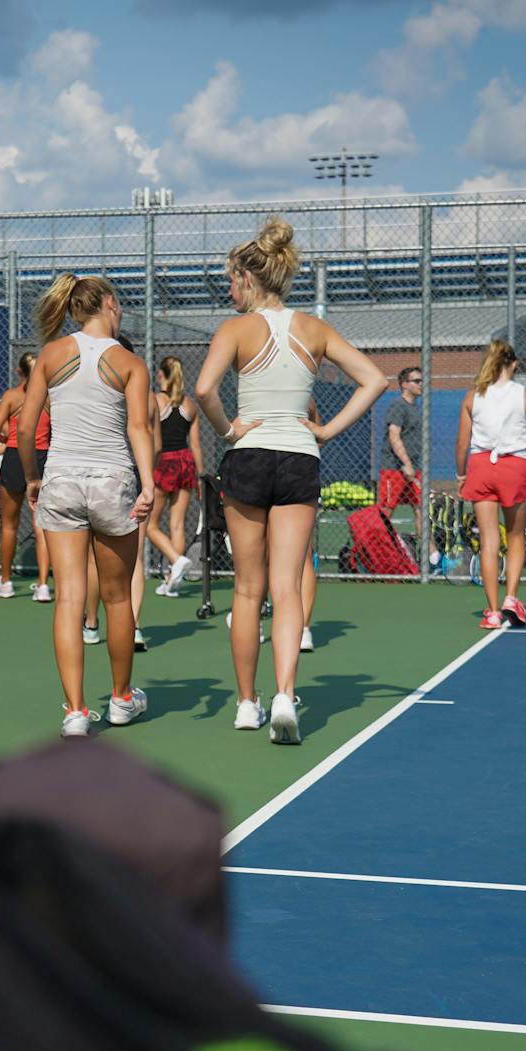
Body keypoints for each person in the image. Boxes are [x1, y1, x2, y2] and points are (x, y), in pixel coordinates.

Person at [193, 217, 385, 746]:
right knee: (287, 586)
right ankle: (284, 694)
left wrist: (227, 430)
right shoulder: (314, 329)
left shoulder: (234, 330)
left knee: (247, 588)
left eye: (231, 281)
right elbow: (374, 379)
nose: (229, 291)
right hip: (300, 457)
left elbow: (204, 389)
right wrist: (326, 430)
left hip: (249, 457)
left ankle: (246, 703)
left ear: (247, 279)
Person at [17, 273, 155, 737]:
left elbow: (25, 427)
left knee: (69, 599)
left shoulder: (51, 355)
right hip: (112, 481)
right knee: (117, 597)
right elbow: (138, 428)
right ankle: (121, 699)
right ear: (109, 303)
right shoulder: (129, 362)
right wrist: (149, 484)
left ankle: (75, 712)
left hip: (61, 480)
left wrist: (33, 477)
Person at [454, 337, 526, 629]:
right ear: (514, 364)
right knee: (516, 536)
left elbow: (462, 444)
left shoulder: (472, 396)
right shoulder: (525, 396)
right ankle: (510, 598)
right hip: (514, 467)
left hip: (481, 466)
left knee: (489, 541)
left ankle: (493, 612)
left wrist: (461, 474)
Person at [0, 353, 52, 598]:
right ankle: (43, 585)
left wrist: (11, 438)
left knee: (9, 523)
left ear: (19, 372)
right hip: (42, 457)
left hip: (15, 456)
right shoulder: (50, 397)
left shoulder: (12, 396)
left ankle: (5, 582)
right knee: (42, 524)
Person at [150, 355, 202, 597]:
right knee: (177, 524)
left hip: (164, 463)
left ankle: (175, 560)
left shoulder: (154, 400)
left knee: (149, 525)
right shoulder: (190, 405)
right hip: (185, 462)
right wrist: (199, 476)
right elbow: (196, 445)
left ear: (161, 374)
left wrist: (148, 469)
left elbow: (153, 442)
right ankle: (173, 580)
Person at [378, 364, 425, 520]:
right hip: (394, 468)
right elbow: (394, 436)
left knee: (420, 509)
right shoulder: (398, 406)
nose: (421, 384)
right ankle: (375, 537)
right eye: (416, 381)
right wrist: (406, 464)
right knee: (387, 509)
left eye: (422, 381)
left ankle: (426, 538)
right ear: (404, 384)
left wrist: (412, 466)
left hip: (414, 468)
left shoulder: (416, 408)